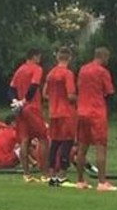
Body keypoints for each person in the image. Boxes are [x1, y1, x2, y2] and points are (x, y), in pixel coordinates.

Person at [76, 46, 117, 191]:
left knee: (82, 147)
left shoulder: (82, 69)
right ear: (104, 56)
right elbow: (109, 93)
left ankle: (80, 180)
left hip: (81, 110)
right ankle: (101, 182)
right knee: (100, 146)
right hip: (96, 111)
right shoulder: (103, 72)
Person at [9, 49, 48, 182]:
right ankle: (44, 174)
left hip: (20, 109)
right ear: (35, 56)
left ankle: (26, 174)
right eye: (39, 57)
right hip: (32, 107)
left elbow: (11, 89)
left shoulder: (19, 70)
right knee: (43, 138)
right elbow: (34, 86)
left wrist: (15, 101)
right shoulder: (37, 69)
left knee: (24, 140)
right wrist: (25, 101)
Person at [44, 47, 77, 186]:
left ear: (57, 58)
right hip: (66, 112)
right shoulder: (67, 74)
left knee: (55, 143)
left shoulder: (50, 74)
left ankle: (51, 174)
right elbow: (70, 96)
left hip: (53, 112)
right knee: (67, 142)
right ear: (69, 58)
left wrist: (54, 99)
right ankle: (62, 174)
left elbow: (44, 94)